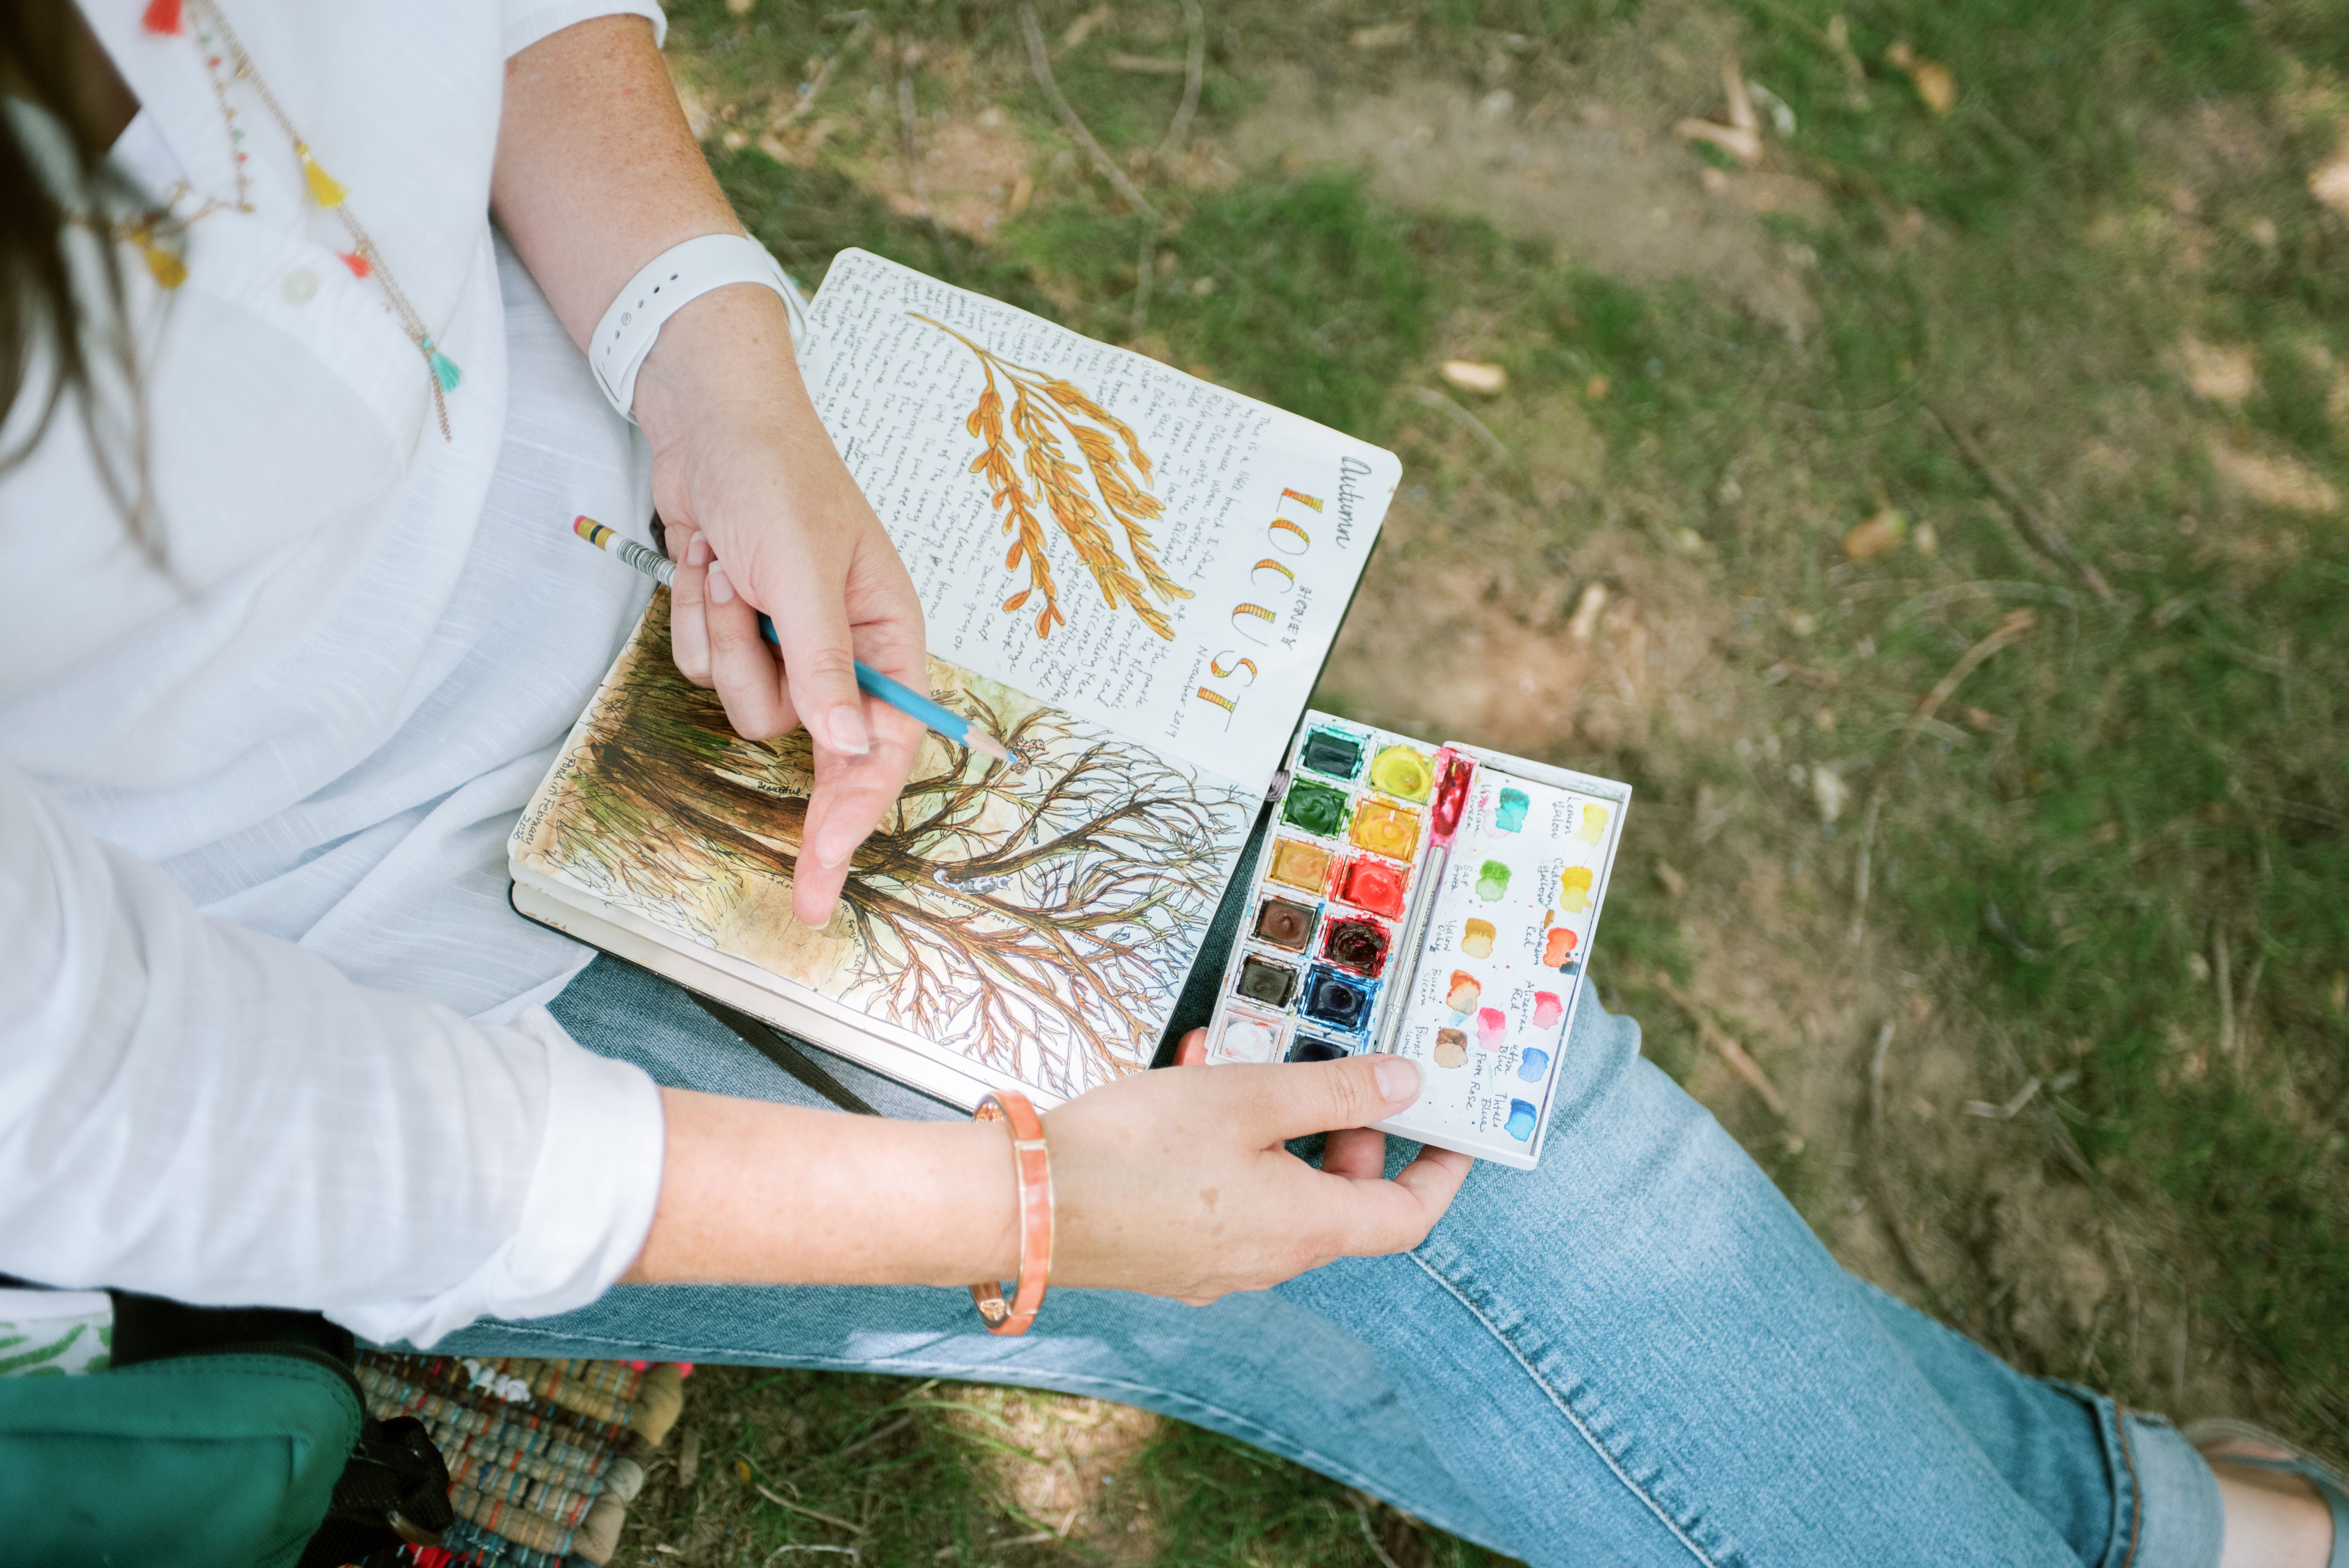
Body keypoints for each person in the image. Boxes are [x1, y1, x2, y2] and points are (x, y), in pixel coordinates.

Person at [0, 4, 2337, 1564]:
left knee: (1460, 1074)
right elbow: (174, 1112)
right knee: (1433, 1167)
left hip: (677, 531)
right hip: (380, 955)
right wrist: (1033, 1210)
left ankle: (2145, 1526)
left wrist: (708, 348)